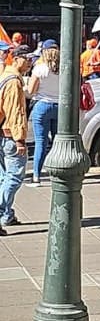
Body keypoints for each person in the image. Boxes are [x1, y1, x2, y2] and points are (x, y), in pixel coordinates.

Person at [0, 45, 32, 233]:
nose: (29, 63)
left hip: (2, 134)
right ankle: (2, 211)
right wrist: (20, 139)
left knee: (4, 176)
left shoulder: (5, 76)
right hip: (10, 136)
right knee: (14, 176)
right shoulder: (13, 82)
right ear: (17, 58)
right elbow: (16, 112)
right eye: (27, 59)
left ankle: (6, 214)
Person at [27, 40, 60, 186]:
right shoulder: (64, 67)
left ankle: (36, 176)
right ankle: (56, 173)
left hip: (42, 105)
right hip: (60, 107)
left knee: (41, 141)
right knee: (58, 141)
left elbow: (31, 90)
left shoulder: (40, 68)